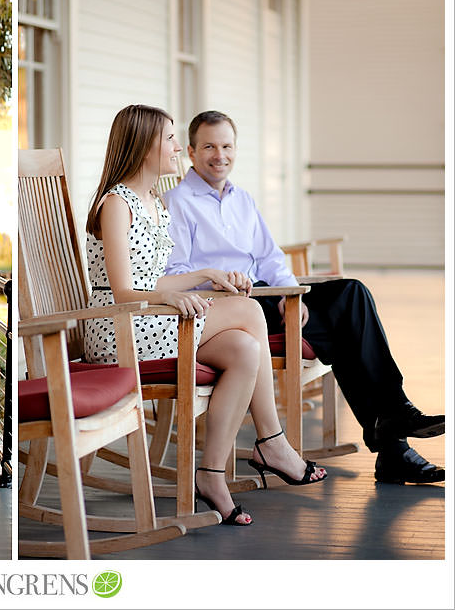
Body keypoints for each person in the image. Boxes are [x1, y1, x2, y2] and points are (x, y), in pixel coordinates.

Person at [164, 110, 444, 485]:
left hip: (268, 296)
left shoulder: (241, 199)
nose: (220, 155)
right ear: (193, 152)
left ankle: (393, 426)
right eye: (209, 146)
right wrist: (217, 283)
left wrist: (288, 296)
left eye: (227, 146)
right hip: (226, 308)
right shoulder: (177, 202)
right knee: (347, 332)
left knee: (351, 294)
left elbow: (270, 257)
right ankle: (393, 433)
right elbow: (176, 272)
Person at [84, 104, 328, 526]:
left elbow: (157, 278)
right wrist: (182, 293)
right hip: (120, 327)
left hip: (151, 317)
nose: (179, 148)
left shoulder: (154, 204)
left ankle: (211, 473)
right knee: (250, 309)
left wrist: (204, 277)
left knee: (245, 349)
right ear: (145, 147)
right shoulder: (117, 204)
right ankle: (272, 442)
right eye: (171, 139)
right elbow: (124, 290)